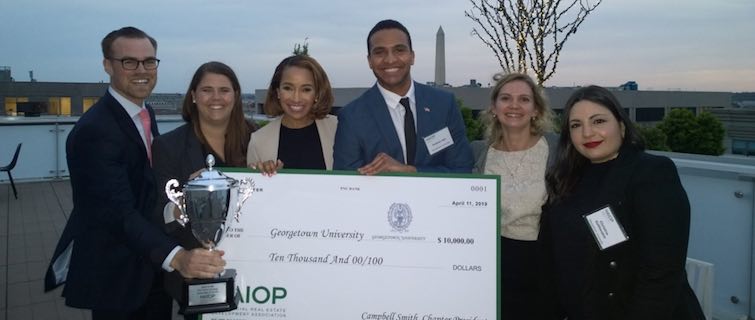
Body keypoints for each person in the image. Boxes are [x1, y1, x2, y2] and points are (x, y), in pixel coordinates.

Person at [44, 27, 225, 320]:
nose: (141, 70)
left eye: (149, 61)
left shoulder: (143, 113)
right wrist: (177, 258)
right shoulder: (95, 131)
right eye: (129, 62)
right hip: (117, 275)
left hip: (150, 268)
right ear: (108, 65)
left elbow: (144, 187)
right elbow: (117, 212)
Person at [539, 85, 704, 319]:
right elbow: (553, 257)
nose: (587, 133)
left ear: (622, 127)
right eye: (576, 125)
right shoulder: (564, 178)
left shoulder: (652, 173)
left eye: (598, 121)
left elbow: (661, 273)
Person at [152, 61, 255, 318]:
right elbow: (158, 213)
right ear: (193, 96)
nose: (216, 98)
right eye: (207, 90)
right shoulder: (168, 146)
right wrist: (186, 199)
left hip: (257, 265)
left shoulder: (258, 138)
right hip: (197, 274)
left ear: (236, 95)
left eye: (224, 90)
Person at [333, 19, 473, 174]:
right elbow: (347, 183)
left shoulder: (444, 105)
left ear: (412, 56)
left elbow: (462, 169)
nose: (390, 59)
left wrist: (411, 171)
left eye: (399, 50)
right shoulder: (352, 117)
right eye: (379, 52)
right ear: (369, 61)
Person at [470, 72, 557, 319]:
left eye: (524, 99)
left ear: (536, 110)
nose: (514, 105)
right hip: (493, 263)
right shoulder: (477, 152)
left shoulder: (558, 149)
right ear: (494, 108)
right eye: (506, 98)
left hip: (543, 262)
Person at [247, 54, 337, 173]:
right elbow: (253, 188)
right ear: (278, 92)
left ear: (317, 94)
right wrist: (263, 178)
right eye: (288, 88)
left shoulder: (338, 129)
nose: (296, 98)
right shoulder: (258, 141)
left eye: (306, 89)